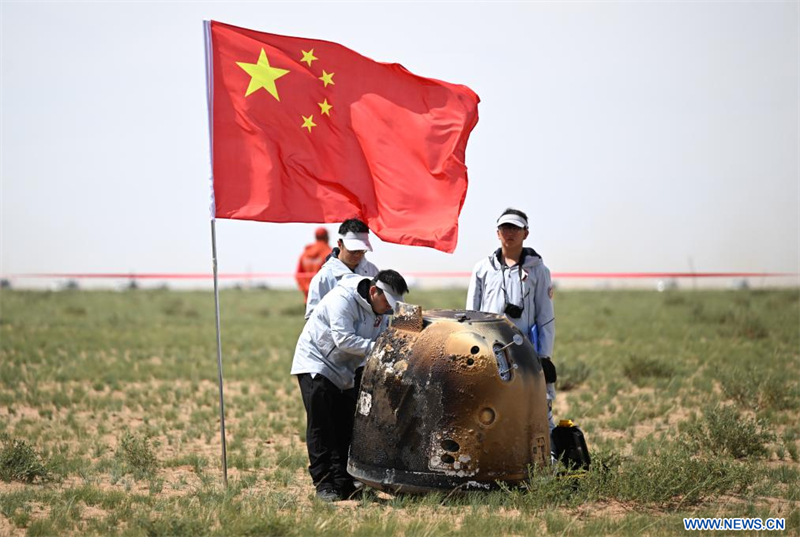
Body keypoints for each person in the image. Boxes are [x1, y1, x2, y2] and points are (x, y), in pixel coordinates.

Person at [291, 269, 409, 501]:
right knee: (322, 426)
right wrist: (380, 348)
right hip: (317, 363)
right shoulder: (342, 299)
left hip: (346, 369)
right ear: (373, 291)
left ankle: (345, 483)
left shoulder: (382, 311)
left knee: (345, 426)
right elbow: (343, 339)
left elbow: (380, 339)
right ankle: (324, 484)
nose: (389, 307)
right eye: (387, 301)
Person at [466, 208, 557, 431]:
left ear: (526, 233)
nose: (510, 232)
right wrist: (471, 349)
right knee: (489, 405)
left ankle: (548, 448)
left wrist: (544, 356)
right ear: (497, 233)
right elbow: (471, 314)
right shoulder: (482, 269)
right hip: (489, 351)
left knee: (535, 405)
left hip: (525, 349)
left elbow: (545, 317)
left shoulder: (539, 270)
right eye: (505, 227)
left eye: (516, 228)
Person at [305, 218, 379, 319]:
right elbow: (313, 317)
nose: (358, 255)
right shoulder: (324, 277)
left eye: (362, 250)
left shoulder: (372, 271)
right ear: (340, 244)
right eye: (353, 250)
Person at [295, 227, 333, 303]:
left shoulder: (305, 254)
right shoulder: (329, 252)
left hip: (309, 298)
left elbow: (298, 275)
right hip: (325, 299)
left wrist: (306, 288)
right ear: (327, 237)